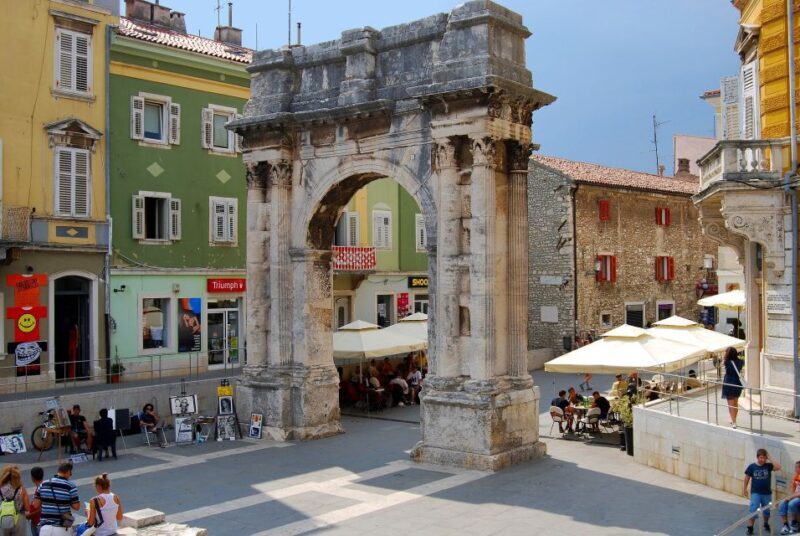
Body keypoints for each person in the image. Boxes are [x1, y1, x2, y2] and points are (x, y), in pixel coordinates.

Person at [35, 461, 80, 535]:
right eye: (70, 473)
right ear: (68, 472)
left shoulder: (43, 484)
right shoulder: (71, 486)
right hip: (61, 528)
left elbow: (36, 504)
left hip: (45, 528)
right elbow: (77, 507)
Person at [744, 448, 781, 535]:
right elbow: (746, 478)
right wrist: (744, 489)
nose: (762, 460)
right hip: (755, 493)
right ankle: (750, 528)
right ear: (757, 457)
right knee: (753, 509)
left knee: (767, 511)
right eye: (761, 457)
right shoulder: (752, 466)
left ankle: (766, 524)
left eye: (764, 458)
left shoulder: (768, 466)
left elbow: (778, 467)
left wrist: (770, 457)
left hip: (767, 493)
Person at [0, 464, 29, 536]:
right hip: (19, 518)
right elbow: (27, 507)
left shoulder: (1, 488)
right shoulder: (21, 489)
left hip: (4, 518)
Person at [721, 347, 745, 428]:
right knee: (735, 403)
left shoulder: (727, 362)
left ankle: (734, 422)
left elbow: (721, 364)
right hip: (737, 383)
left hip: (729, 383)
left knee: (730, 404)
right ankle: (734, 420)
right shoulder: (741, 362)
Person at [778, 460, 800, 534]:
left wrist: (791, 497)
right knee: (782, 503)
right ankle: (785, 525)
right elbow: (792, 488)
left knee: (792, 503)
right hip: (795, 496)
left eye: (797, 467)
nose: (795, 469)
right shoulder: (796, 476)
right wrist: (789, 496)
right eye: (795, 467)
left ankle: (795, 524)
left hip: (798, 497)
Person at [26, 467, 43, 536]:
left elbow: (40, 507)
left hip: (38, 521)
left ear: (32, 478)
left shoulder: (39, 490)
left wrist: (29, 515)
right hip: (39, 521)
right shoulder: (44, 487)